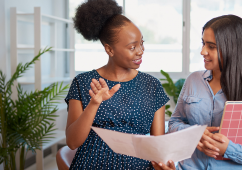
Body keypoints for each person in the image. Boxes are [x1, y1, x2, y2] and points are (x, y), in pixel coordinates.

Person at [152, 15, 242, 170]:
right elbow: (174, 124)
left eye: (211, 46)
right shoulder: (193, 80)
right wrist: (195, 133)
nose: (203, 51)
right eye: (203, 43)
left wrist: (229, 149)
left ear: (233, 48)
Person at [64, 0, 169, 169]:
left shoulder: (152, 86)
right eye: (132, 47)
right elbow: (72, 142)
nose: (140, 51)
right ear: (109, 49)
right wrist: (94, 104)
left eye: (141, 43)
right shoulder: (83, 82)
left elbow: (158, 147)